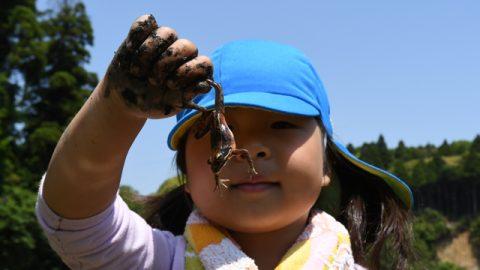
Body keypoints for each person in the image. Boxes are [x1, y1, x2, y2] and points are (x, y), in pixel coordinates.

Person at [35, 14, 413, 270]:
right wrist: (116, 108)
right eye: (213, 132)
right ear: (187, 179)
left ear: (327, 165)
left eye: (281, 124)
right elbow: (74, 219)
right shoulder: (160, 261)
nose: (245, 150)